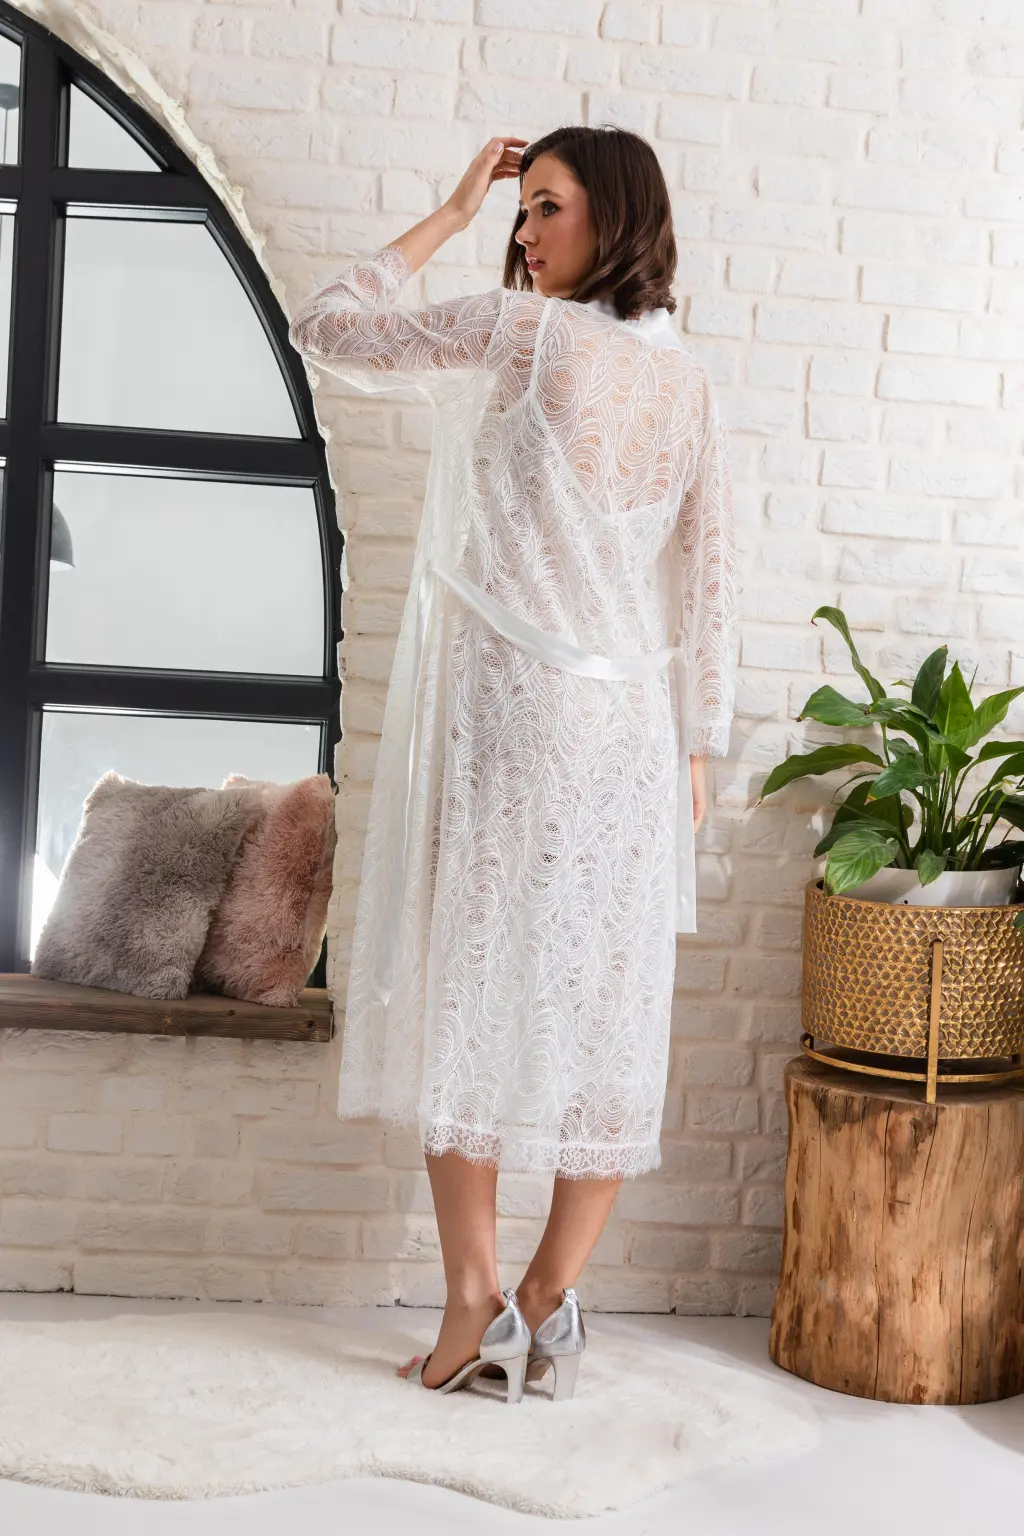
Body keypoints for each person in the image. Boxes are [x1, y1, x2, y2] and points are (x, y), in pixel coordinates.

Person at [288, 125, 737, 1401]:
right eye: (515, 210)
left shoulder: (522, 334)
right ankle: (547, 1304)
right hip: (633, 734)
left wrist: (443, 211)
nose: (524, 234)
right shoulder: (690, 384)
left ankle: (470, 1308)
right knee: (605, 1010)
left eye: (548, 208)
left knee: (473, 996)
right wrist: (699, 744)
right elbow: (712, 580)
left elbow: (328, 325)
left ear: (614, 217)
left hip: (518, 716)